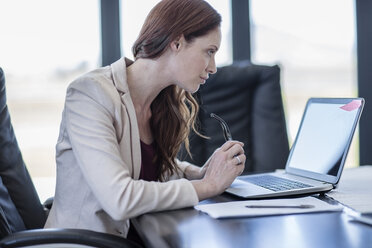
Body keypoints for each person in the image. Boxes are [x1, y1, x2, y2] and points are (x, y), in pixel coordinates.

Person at [44, 0, 246, 238]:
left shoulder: (162, 103)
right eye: (209, 52)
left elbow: (148, 168)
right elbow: (120, 198)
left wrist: (203, 173)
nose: (212, 67)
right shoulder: (90, 94)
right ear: (177, 42)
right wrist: (207, 186)